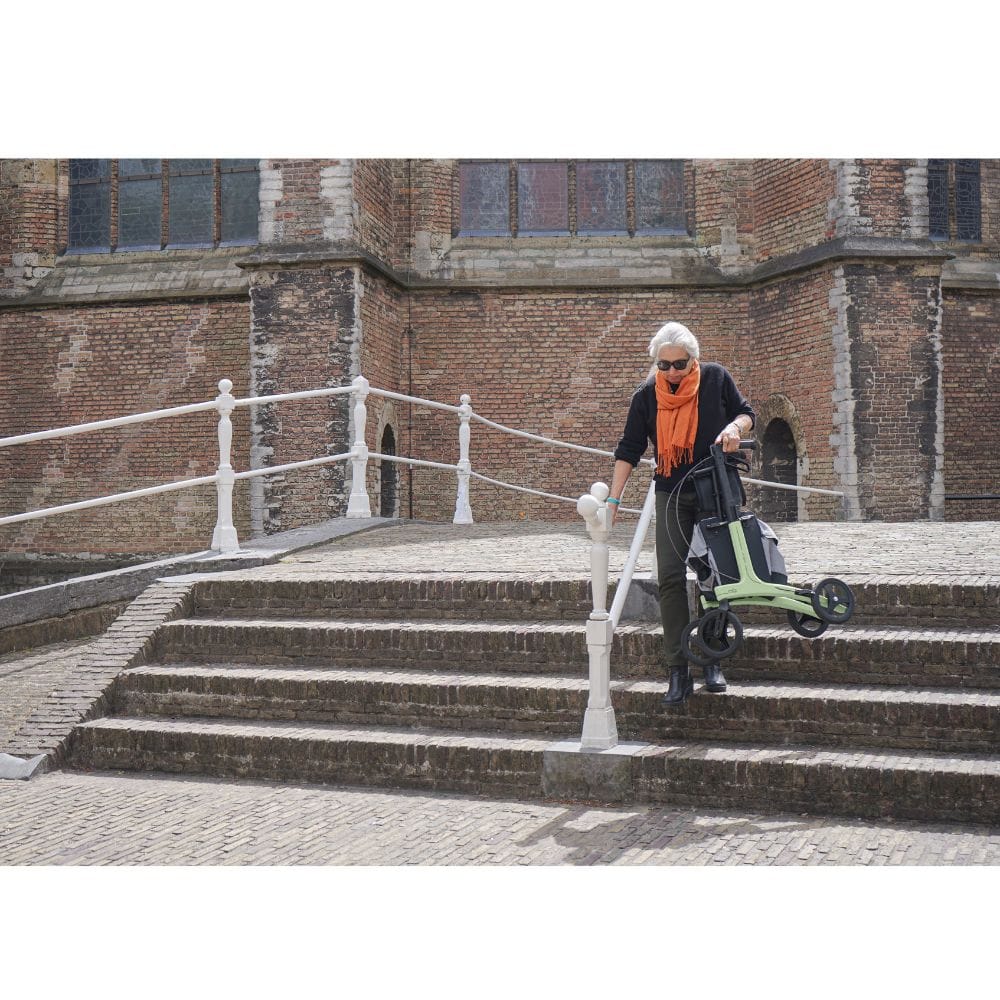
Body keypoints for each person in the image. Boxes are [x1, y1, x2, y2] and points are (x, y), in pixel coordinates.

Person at [609, 321, 755, 706]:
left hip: (715, 490)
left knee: (717, 578)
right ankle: (677, 669)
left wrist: (733, 428)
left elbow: (745, 413)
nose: (672, 372)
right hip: (671, 492)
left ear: (694, 359)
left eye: (680, 363)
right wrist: (612, 502)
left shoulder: (715, 379)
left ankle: (713, 658)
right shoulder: (646, 397)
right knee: (671, 578)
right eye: (664, 365)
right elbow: (629, 449)